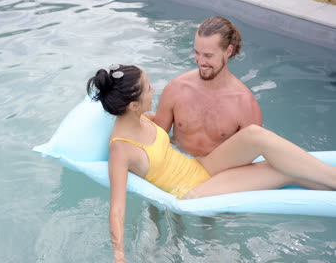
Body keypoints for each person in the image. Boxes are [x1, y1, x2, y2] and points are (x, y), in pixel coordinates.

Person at [86, 64, 335, 263]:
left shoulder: (144, 119)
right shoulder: (121, 148)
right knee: (282, 172)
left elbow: (172, 133)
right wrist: (119, 255)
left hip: (200, 168)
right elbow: (116, 209)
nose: (154, 90)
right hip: (193, 192)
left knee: (254, 135)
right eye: (148, 88)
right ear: (132, 105)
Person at [154, 16, 262, 157]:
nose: (201, 61)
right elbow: (156, 140)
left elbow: (247, 157)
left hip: (214, 169)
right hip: (176, 161)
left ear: (228, 51)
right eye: (197, 53)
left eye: (208, 55)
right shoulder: (176, 88)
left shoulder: (245, 104)